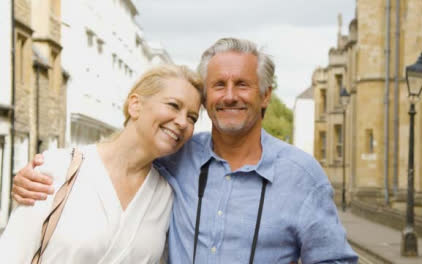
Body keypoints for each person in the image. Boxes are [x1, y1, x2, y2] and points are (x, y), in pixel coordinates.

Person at [12, 38, 358, 263]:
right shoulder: (175, 157)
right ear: (208, 98)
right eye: (218, 85)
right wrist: (33, 177)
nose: (230, 95)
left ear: (265, 95)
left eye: (243, 84)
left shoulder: (301, 175)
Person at [1, 64, 203, 263]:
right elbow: (12, 254)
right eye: (173, 105)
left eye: (192, 118)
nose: (183, 122)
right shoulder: (59, 167)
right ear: (135, 105)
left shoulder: (165, 196)